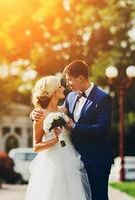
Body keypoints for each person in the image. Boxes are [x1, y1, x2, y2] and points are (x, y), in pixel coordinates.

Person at [31, 60, 113, 200]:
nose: (67, 84)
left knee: (98, 197)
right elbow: (52, 113)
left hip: (96, 160)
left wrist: (74, 126)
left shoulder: (103, 98)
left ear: (80, 78)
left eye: (69, 80)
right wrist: (34, 114)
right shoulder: (71, 96)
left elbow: (102, 129)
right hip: (73, 161)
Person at [25, 75, 91, 200]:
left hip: (70, 158)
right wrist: (53, 141)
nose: (63, 88)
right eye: (60, 86)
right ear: (53, 90)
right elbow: (36, 146)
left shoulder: (64, 111)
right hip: (52, 162)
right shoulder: (40, 115)